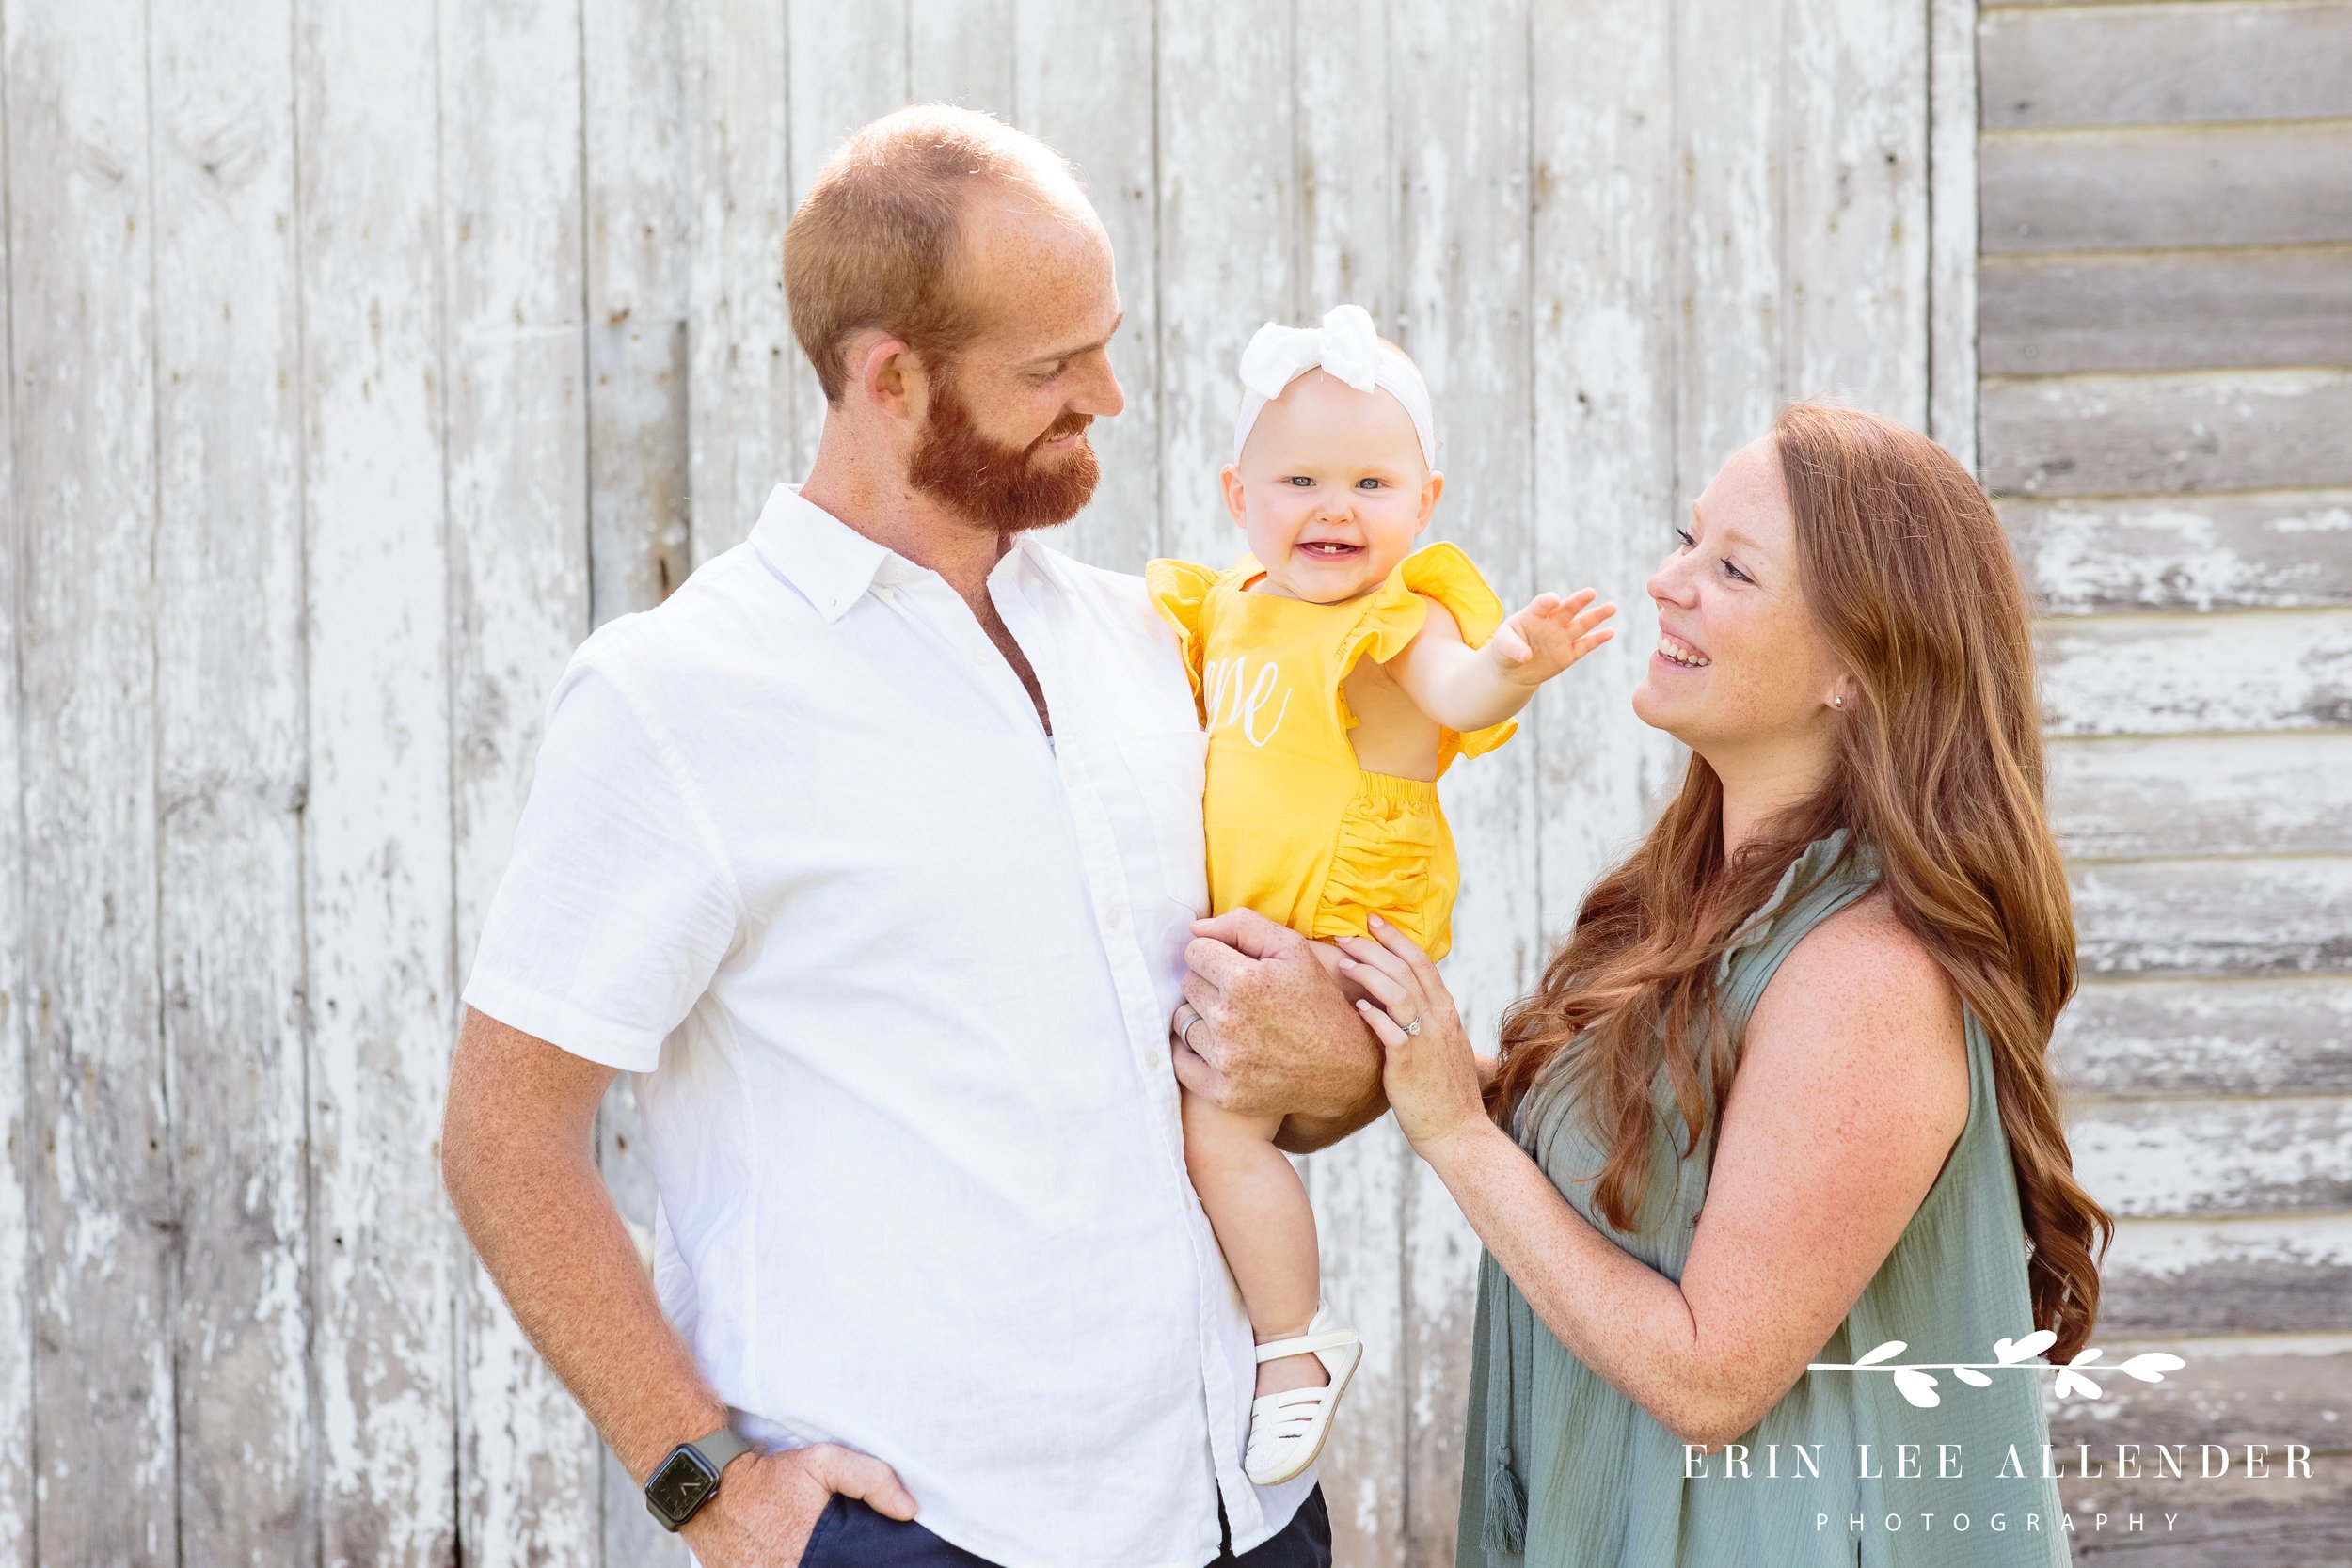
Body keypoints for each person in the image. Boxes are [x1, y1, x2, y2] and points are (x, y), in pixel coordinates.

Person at [439, 104, 1376, 1568]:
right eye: (1053, 368)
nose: (1111, 397)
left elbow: (1255, 1066)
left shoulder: (1157, 641)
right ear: (889, 379)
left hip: (1240, 1509)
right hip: (927, 1531)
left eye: (1106, 342)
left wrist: (1332, 1058)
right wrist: (709, 1486)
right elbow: (505, 1136)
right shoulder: (679, 695)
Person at [1187, 403, 2113, 1565]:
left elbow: (1710, 1371)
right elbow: (1611, 1169)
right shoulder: (1696, 900)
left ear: (1855, 664)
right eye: (1688, 538)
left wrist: (1453, 1131)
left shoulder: (1867, 976)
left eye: (1730, 567)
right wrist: (1371, 1052)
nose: (1667, 581)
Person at [1145, 302, 1615, 1485]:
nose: (1333, 506)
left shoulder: (1396, 620)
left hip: (1340, 927)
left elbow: (1460, 697)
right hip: (1253, 924)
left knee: (1222, 1124)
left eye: (1369, 481)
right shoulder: (1228, 606)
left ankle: (1290, 1344)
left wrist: (1515, 658)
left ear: (1424, 502)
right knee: (1196, 1117)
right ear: (1235, 493)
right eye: (1297, 477)